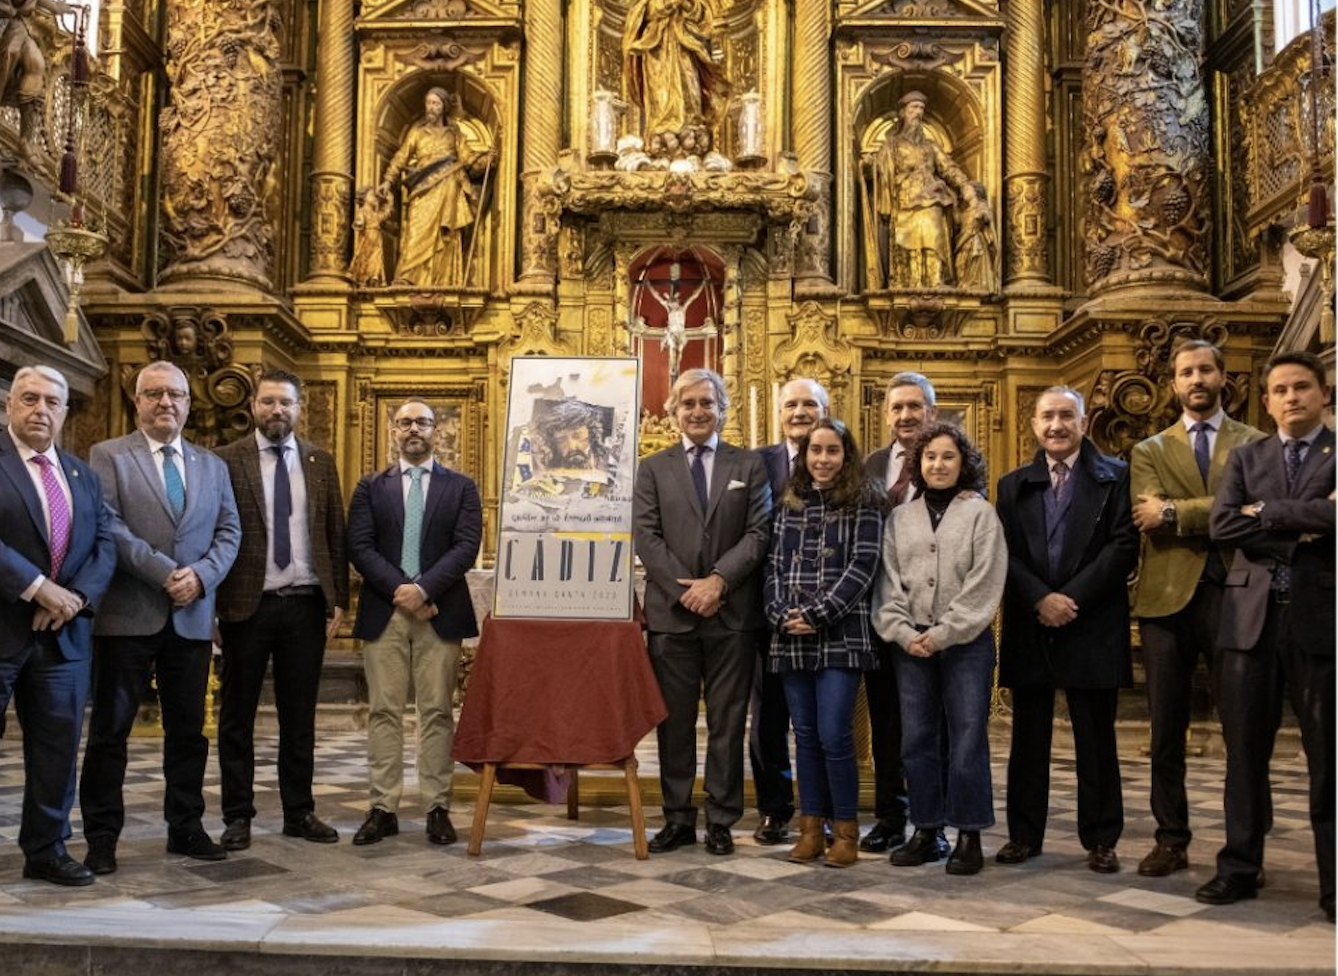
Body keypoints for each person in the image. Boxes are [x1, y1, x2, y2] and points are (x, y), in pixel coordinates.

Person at [81, 361, 242, 874]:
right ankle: (102, 836)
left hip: (191, 617)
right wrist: (168, 573)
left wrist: (201, 578)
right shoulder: (107, 455)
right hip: (128, 616)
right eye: (153, 394)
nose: (164, 402)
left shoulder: (211, 465)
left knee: (189, 732)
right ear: (137, 401)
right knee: (111, 732)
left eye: (174, 394)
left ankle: (186, 826)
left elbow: (230, 531)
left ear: (188, 404)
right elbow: (108, 525)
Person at [1201, 351, 1334, 921]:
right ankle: (1239, 867)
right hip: (1250, 619)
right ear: (1266, 400)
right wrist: (1302, 522)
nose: (1291, 397)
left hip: (1320, 620)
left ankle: (1333, 883)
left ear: (1324, 393)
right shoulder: (1246, 455)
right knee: (1244, 752)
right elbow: (1222, 525)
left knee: (1328, 757)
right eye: (1279, 389)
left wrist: (1267, 514)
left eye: (1302, 386)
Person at [1128, 340, 1264, 877]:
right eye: (1186, 372)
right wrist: (1226, 511)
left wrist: (1175, 511)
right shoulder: (1150, 449)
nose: (1197, 379)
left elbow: (1255, 513)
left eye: (1206, 369)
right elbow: (1145, 514)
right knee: (1165, 729)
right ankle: (1170, 837)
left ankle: (1243, 847)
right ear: (1174, 384)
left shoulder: (1254, 443)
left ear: (1222, 377)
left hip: (1237, 594)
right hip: (1166, 601)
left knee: (1241, 728)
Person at [994, 386, 1138, 874]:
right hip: (1032, 620)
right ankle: (1023, 836)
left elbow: (1121, 547)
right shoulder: (1012, 485)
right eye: (1047, 417)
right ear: (1034, 425)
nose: (1056, 425)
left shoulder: (1116, 477)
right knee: (1028, 738)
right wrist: (1040, 598)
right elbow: (1004, 552)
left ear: (1083, 421)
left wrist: (1069, 600)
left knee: (1096, 738)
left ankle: (1101, 838)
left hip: (1091, 620)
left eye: (1066, 416)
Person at [633, 368, 771, 856]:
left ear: (722, 410)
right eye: (687, 403)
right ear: (672, 413)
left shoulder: (749, 465)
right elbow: (646, 536)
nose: (697, 411)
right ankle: (676, 817)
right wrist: (684, 590)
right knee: (672, 723)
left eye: (706, 404)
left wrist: (718, 582)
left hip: (732, 614)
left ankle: (720, 818)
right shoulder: (652, 468)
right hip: (673, 616)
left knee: (728, 722)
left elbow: (759, 532)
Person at [213, 370, 350, 852]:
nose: (277, 411)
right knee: (237, 715)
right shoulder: (226, 460)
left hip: (305, 605)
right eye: (268, 401)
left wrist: (339, 602)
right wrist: (210, 602)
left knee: (299, 717)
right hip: (244, 604)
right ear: (254, 405)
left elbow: (335, 530)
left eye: (285, 403)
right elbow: (214, 533)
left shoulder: (319, 461)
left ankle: (299, 811)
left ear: (299, 407)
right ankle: (238, 815)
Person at [346, 398, 482, 848]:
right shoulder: (371, 487)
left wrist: (423, 590)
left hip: (439, 612)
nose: (413, 430)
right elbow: (360, 546)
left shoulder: (461, 487)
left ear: (436, 430)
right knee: (383, 711)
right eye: (404, 423)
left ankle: (436, 806)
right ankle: (382, 807)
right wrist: (402, 591)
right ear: (394, 431)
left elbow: (465, 546)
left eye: (422, 422)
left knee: (437, 712)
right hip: (385, 612)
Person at [873, 423, 1006, 874]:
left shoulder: (980, 514)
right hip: (910, 644)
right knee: (917, 739)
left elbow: (985, 583)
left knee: (967, 737)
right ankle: (927, 830)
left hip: (964, 643)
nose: (938, 464)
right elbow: (887, 583)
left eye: (948, 456)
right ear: (918, 464)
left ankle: (969, 832)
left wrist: (944, 632)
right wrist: (905, 632)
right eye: (930, 457)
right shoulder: (899, 518)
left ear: (962, 462)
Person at [0, 366, 115, 885]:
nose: (40, 409)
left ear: (66, 412)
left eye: (52, 401)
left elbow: (104, 545)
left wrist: (73, 599)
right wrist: (37, 587)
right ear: (9, 406)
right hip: (3, 627)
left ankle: (46, 850)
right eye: (29, 398)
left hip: (63, 637)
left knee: (56, 748)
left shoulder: (80, 475)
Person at [765, 418, 884, 867]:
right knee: (806, 735)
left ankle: (846, 832)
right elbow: (773, 567)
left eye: (832, 450)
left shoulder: (866, 501)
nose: (822, 459)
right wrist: (781, 614)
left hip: (841, 633)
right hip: (791, 635)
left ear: (845, 455)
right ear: (805, 455)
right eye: (815, 450)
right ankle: (811, 828)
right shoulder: (788, 503)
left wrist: (816, 614)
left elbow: (863, 567)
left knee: (835, 733)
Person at [858, 371, 936, 853]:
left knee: (927, 724)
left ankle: (932, 820)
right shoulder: (869, 464)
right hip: (879, 612)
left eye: (915, 406)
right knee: (887, 723)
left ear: (931, 409)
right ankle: (891, 817)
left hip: (930, 614)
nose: (905, 415)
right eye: (897, 408)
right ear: (886, 414)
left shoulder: (951, 460)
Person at [750, 378, 828, 845]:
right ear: (779, 412)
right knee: (769, 718)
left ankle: (822, 809)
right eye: (792, 404)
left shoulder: (841, 462)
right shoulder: (757, 464)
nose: (800, 411)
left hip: (827, 615)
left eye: (809, 404)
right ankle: (774, 809)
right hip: (769, 612)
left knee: (822, 720)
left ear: (825, 410)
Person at [380, 88, 494, 288]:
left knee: (445, 234)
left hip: (448, 185)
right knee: (415, 230)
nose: (431, 108)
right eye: (428, 103)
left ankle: (444, 279)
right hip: (423, 187)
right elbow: (400, 157)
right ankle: (407, 276)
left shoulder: (454, 133)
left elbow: (468, 160)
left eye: (436, 103)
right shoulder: (417, 132)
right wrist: (388, 181)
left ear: (443, 107)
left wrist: (487, 160)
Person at [869, 91, 971, 289]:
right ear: (902, 113)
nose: (918, 112)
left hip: (932, 196)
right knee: (909, 238)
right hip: (904, 198)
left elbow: (948, 167)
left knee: (933, 228)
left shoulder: (930, 146)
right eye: (913, 108)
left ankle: (935, 280)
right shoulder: (892, 144)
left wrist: (964, 185)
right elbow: (879, 169)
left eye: (921, 108)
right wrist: (869, 166)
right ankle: (909, 281)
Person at [622, 0, 729, 151]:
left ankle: (691, 125)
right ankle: (661, 128)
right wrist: (664, 6)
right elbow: (640, 13)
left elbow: (703, 16)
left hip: (686, 44)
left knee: (690, 86)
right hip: (656, 47)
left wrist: (686, 5)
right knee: (659, 91)